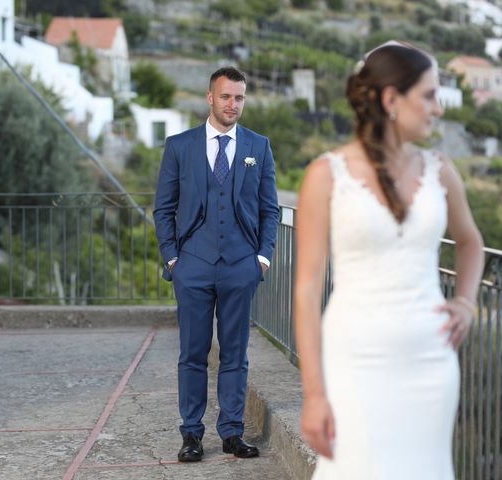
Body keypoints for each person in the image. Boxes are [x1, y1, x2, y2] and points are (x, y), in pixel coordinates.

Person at [295, 42, 484, 479]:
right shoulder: (325, 175)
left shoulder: (441, 170)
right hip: (355, 364)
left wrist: (467, 303)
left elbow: (471, 243)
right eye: (429, 94)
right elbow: (306, 291)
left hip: (432, 362)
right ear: (391, 99)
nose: (438, 108)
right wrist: (314, 393)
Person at [154, 66, 279, 462]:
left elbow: (269, 209)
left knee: (235, 353)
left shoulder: (258, 147)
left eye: (239, 97)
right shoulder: (180, 146)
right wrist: (173, 258)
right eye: (226, 97)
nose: (232, 104)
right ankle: (191, 434)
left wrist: (262, 258)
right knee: (191, 354)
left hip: (241, 264)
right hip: (192, 265)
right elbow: (164, 209)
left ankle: (232, 432)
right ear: (210, 98)